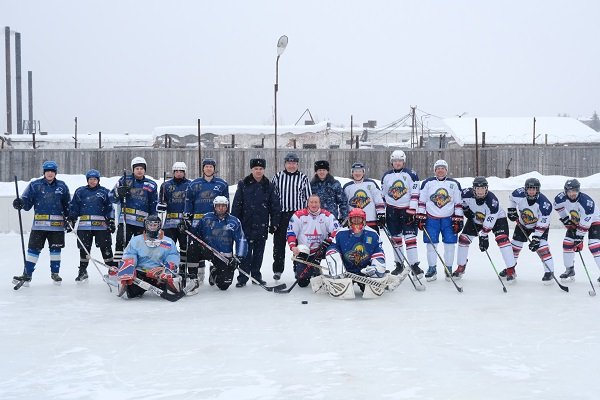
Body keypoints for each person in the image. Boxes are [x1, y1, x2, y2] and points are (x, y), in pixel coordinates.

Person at [12, 161, 71, 286]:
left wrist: (70, 218)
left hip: (57, 226)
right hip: (39, 225)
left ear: (55, 173)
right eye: (47, 171)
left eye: (52, 171)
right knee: (33, 250)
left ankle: (55, 273)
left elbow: (68, 205)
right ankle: (27, 274)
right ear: (44, 172)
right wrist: (20, 202)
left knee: (56, 250)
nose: (50, 173)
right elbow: (26, 202)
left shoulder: (62, 186)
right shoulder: (35, 185)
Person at [321, 208, 399, 299]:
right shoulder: (341, 234)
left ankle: (365, 281)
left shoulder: (372, 234)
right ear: (349, 221)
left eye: (359, 219)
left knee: (369, 290)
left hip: (365, 272)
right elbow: (333, 248)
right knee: (342, 291)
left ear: (364, 220)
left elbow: (378, 252)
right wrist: (336, 262)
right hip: (346, 271)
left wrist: (375, 268)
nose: (356, 222)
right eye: (354, 219)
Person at [231, 158, 281, 287]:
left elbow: (274, 206)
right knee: (245, 253)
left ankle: (256, 276)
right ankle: (242, 277)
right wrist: (234, 222)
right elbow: (237, 205)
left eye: (261, 169)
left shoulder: (269, 185)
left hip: (261, 225)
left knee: (259, 253)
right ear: (251, 170)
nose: (258, 171)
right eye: (256, 169)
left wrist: (274, 223)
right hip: (245, 224)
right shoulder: (243, 184)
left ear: (264, 170)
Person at [455, 177, 515, 280]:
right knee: (463, 239)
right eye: (478, 189)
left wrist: (484, 236)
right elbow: (460, 201)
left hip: (497, 219)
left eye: (482, 189)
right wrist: (465, 209)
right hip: (477, 218)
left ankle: (511, 269)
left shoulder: (492, 200)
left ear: (487, 189)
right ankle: (461, 266)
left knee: (502, 240)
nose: (480, 191)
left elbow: (490, 220)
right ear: (473, 189)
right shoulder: (465, 193)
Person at [183, 158, 229, 289]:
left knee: (215, 247)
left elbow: (226, 203)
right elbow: (188, 202)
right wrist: (187, 218)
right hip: (197, 223)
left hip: (216, 223)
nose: (209, 169)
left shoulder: (222, 184)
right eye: (206, 166)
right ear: (203, 168)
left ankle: (215, 270)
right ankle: (198, 274)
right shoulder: (194, 184)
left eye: (211, 166)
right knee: (197, 247)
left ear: (214, 169)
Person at [415, 159, 463, 281]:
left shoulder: (454, 184)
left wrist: (458, 219)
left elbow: (458, 202)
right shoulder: (427, 183)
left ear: (446, 170)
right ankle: (432, 269)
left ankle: (448, 268)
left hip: (449, 219)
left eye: (443, 168)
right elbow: (422, 201)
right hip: (432, 219)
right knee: (431, 246)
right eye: (438, 168)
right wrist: (420, 216)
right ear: (435, 170)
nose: (440, 170)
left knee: (450, 246)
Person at [501, 177, 555, 283]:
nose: (531, 191)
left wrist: (536, 238)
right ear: (525, 189)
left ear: (538, 190)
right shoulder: (518, 194)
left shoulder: (545, 204)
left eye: (534, 189)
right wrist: (512, 209)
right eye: (529, 188)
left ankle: (549, 272)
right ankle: (511, 269)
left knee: (542, 246)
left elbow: (543, 222)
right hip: (523, 224)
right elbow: (511, 198)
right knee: (515, 246)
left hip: (539, 225)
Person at [67, 169, 116, 282]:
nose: (92, 181)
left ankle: (111, 270)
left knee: (106, 248)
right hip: (84, 227)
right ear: (87, 180)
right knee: (84, 249)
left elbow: (110, 208)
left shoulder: (105, 192)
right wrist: (71, 219)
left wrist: (111, 221)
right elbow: (74, 207)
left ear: (98, 180)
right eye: (90, 179)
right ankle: (83, 271)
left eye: (95, 179)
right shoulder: (80, 191)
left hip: (101, 227)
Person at [381, 150, 424, 278]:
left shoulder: (411, 174)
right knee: (396, 238)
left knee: (410, 237)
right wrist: (382, 212)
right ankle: (399, 264)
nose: (397, 163)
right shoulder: (386, 176)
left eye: (400, 161)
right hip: (392, 210)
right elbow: (383, 195)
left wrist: (412, 210)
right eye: (395, 161)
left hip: (407, 210)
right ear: (391, 162)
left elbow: (415, 193)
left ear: (404, 161)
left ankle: (414, 264)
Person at [117, 215, 181, 299]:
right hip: (141, 275)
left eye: (155, 225)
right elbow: (130, 254)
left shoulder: (168, 241)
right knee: (129, 294)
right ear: (146, 226)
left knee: (171, 287)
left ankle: (171, 284)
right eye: (150, 225)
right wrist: (128, 269)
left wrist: (167, 269)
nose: (153, 227)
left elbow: (172, 255)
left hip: (159, 275)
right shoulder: (136, 240)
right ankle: (129, 287)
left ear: (159, 226)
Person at [110, 157, 158, 267]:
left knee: (141, 246)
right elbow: (111, 197)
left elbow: (153, 203)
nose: (139, 170)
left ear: (145, 170)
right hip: (126, 221)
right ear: (133, 169)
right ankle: (118, 266)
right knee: (121, 243)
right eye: (137, 168)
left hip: (142, 223)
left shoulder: (151, 184)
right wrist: (118, 193)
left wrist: (153, 219)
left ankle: (140, 268)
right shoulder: (124, 180)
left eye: (141, 168)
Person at [271, 152, 311, 280]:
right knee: (279, 244)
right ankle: (277, 269)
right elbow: (273, 198)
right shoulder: (277, 177)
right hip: (282, 215)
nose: (291, 165)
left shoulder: (303, 178)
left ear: (297, 164)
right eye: (289, 163)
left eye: (294, 163)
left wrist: (307, 217)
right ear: (285, 164)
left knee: (299, 243)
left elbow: (308, 198)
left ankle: (297, 268)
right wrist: (274, 219)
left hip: (298, 216)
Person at [193, 196, 248, 290]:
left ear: (227, 207)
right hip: (208, 251)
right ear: (214, 206)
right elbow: (195, 233)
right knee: (192, 249)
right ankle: (192, 278)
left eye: (223, 206)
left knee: (224, 285)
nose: (221, 208)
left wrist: (237, 258)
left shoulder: (234, 221)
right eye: (218, 206)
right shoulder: (206, 218)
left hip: (224, 256)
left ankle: (214, 272)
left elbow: (241, 240)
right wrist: (186, 227)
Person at [286, 194, 340, 287]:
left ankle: (336, 274)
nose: (313, 205)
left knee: (334, 251)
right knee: (302, 282)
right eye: (311, 202)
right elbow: (291, 232)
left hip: (321, 249)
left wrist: (329, 240)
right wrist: (293, 247)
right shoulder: (298, 215)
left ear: (320, 203)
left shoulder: (327, 215)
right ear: (307, 203)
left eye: (316, 202)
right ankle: (299, 267)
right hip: (304, 250)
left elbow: (337, 231)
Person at [553, 179, 600, 282]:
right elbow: (557, 206)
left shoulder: (586, 203)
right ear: (565, 191)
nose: (572, 194)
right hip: (577, 220)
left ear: (578, 190)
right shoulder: (561, 198)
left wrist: (579, 238)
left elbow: (586, 223)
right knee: (567, 243)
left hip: (594, 221)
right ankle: (569, 269)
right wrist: (565, 219)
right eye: (569, 191)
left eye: (574, 191)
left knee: (594, 245)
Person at [157, 162, 191, 278]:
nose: (178, 173)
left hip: (183, 223)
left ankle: (182, 267)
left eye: (181, 171)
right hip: (170, 223)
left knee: (184, 247)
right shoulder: (165, 185)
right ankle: (168, 266)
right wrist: (161, 205)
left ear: (184, 172)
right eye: (176, 171)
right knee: (168, 246)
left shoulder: (190, 185)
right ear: (173, 172)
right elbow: (161, 202)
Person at [343, 162, 386, 233]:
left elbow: (378, 199)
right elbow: (344, 204)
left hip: (371, 221)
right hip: (354, 222)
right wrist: (343, 217)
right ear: (352, 173)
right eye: (355, 171)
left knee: (372, 242)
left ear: (363, 173)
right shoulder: (347, 187)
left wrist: (381, 214)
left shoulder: (371, 184)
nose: (357, 173)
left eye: (360, 171)